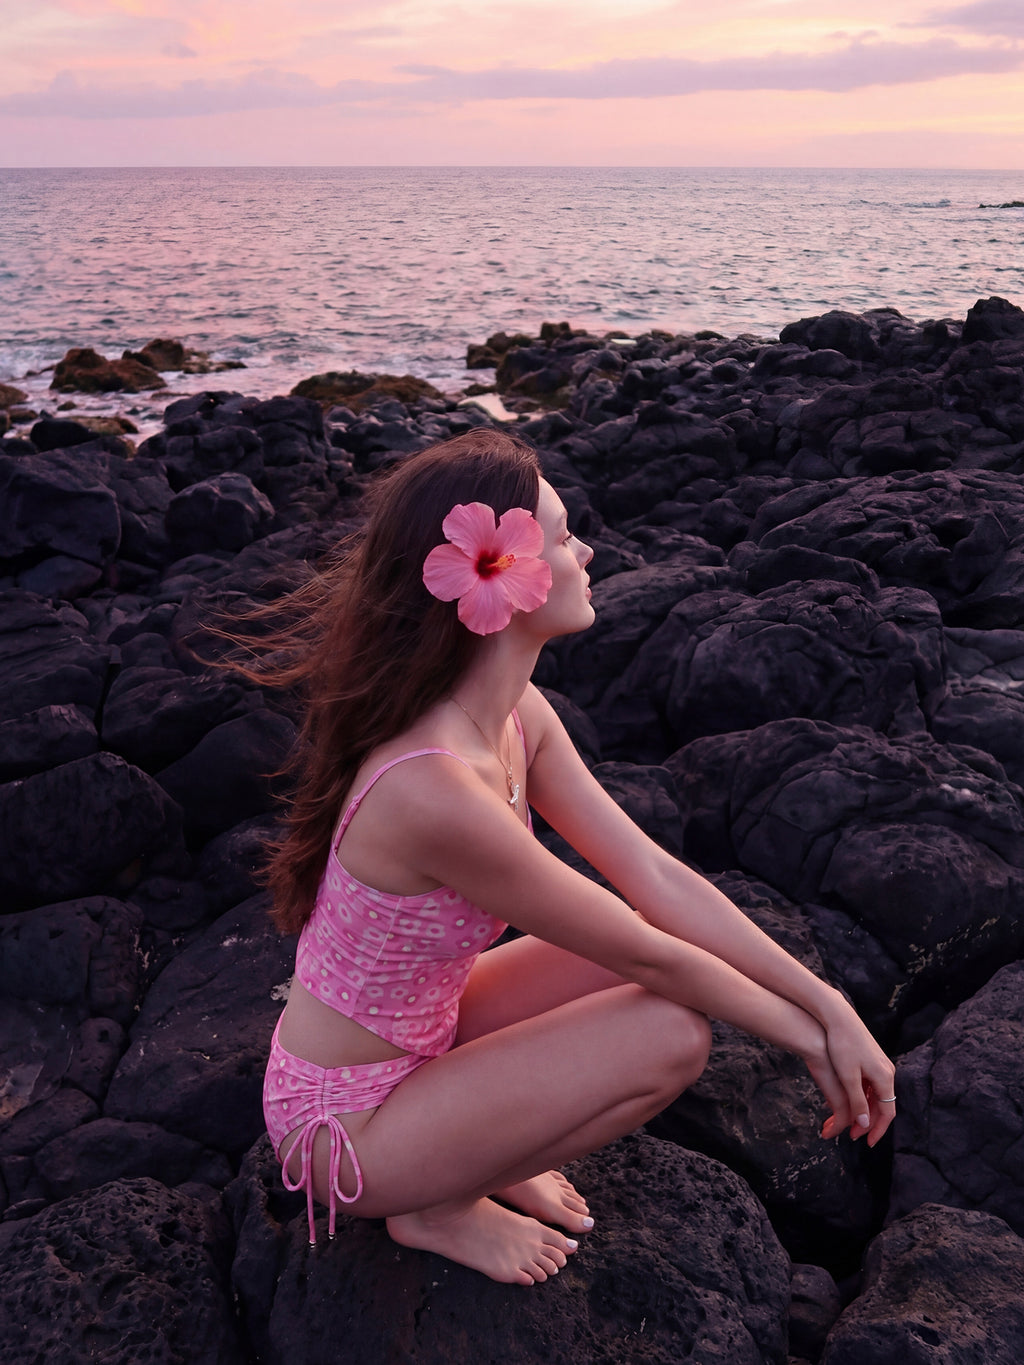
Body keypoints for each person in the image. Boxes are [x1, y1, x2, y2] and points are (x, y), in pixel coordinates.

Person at [254, 429, 896, 1286]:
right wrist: (805, 1040)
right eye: (563, 536)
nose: (586, 549)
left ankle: (462, 1141)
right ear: (505, 576)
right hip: (345, 1124)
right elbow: (642, 954)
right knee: (670, 1031)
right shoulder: (433, 789)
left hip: (422, 1039)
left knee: (645, 940)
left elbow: (657, 882)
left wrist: (831, 1007)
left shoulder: (523, 717)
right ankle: (431, 1201)